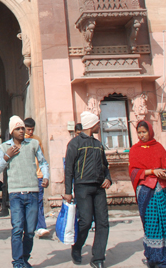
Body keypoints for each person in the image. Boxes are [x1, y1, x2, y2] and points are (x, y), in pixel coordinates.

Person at [129, 120, 166, 268]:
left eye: (144, 132)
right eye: (139, 132)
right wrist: (152, 171)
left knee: (164, 223)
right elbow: (133, 171)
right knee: (150, 225)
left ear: (150, 132)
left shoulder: (159, 148)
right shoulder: (134, 149)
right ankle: (154, 258)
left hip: (161, 189)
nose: (142, 135)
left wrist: (165, 174)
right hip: (145, 190)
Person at [0, 115, 49, 268]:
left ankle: (25, 258)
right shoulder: (5, 147)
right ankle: (17, 262)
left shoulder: (33, 144)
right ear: (12, 131)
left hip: (32, 191)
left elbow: (43, 162)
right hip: (15, 194)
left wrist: (46, 176)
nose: (21, 131)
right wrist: (7, 156)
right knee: (17, 229)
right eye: (18, 128)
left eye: (22, 128)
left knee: (30, 231)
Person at [63, 111, 111, 268]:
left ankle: (98, 258)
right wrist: (68, 191)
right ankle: (77, 247)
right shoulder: (75, 143)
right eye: (97, 123)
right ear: (92, 125)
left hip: (99, 188)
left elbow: (105, 165)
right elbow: (68, 169)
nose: (99, 125)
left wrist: (108, 178)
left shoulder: (98, 145)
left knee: (103, 223)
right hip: (82, 187)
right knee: (85, 221)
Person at [24, 117, 49, 238]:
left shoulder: (37, 140)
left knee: (39, 202)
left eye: (32, 130)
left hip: (38, 176)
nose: (30, 132)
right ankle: (30, 226)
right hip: (26, 177)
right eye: (28, 129)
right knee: (27, 203)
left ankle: (41, 226)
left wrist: (45, 175)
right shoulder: (20, 140)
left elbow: (42, 160)